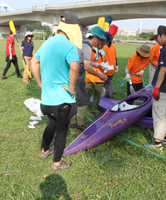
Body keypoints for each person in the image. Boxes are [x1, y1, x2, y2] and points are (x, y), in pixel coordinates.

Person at [31, 11, 81, 171]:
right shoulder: (69, 46)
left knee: (51, 124)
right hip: (62, 102)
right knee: (62, 131)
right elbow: (74, 66)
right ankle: (57, 163)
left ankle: (45, 150)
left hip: (47, 101)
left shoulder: (47, 43)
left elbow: (34, 62)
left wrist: (39, 82)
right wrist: (72, 88)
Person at [69, 26, 108, 130]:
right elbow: (86, 66)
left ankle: (72, 122)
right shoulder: (88, 47)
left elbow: (82, 60)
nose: (100, 43)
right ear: (95, 37)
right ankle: (80, 123)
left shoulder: (81, 44)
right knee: (83, 99)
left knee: (73, 99)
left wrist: (96, 65)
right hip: (78, 77)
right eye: (100, 40)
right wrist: (100, 75)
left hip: (72, 75)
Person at [84, 27, 109, 116]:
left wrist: (104, 66)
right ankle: (82, 110)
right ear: (95, 38)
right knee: (86, 94)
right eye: (101, 42)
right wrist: (97, 66)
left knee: (98, 94)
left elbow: (105, 61)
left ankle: (93, 109)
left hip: (100, 75)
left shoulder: (103, 51)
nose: (102, 45)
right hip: (91, 75)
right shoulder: (88, 48)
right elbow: (86, 63)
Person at [102, 32, 118, 98]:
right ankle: (110, 96)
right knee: (109, 82)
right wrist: (116, 65)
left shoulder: (103, 47)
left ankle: (101, 98)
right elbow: (115, 57)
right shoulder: (113, 46)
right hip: (112, 68)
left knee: (101, 84)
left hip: (105, 68)